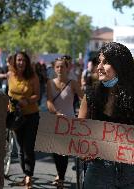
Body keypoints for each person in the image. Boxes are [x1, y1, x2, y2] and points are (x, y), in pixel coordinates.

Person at [78, 42, 134, 189]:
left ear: (120, 65)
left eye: (105, 62)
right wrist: (83, 150)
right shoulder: (90, 95)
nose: (99, 67)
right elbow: (78, 133)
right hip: (99, 170)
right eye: (99, 62)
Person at [46, 56, 83, 189]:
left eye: (62, 66)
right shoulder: (50, 83)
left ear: (67, 68)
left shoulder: (72, 83)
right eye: (57, 66)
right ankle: (59, 174)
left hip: (69, 121)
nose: (60, 69)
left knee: (63, 152)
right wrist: (55, 113)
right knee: (55, 152)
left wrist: (83, 113)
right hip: (55, 120)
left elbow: (82, 98)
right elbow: (49, 101)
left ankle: (61, 178)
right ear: (54, 69)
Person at [8, 52, 40, 188]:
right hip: (15, 116)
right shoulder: (10, 75)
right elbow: (8, 93)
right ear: (15, 62)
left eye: (23, 60)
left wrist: (27, 100)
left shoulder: (33, 76)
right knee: (20, 148)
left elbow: (37, 95)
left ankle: (29, 176)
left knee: (28, 147)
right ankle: (25, 173)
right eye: (18, 60)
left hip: (31, 115)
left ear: (27, 62)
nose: (21, 62)